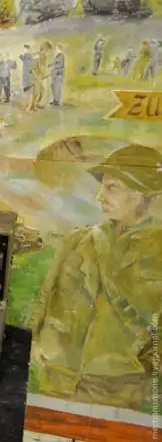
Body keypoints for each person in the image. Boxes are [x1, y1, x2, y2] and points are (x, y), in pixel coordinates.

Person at [29, 143, 162, 411]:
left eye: (112, 187)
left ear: (141, 194)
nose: (100, 196)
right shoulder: (78, 240)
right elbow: (47, 295)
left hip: (118, 384)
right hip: (58, 373)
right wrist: (33, 340)